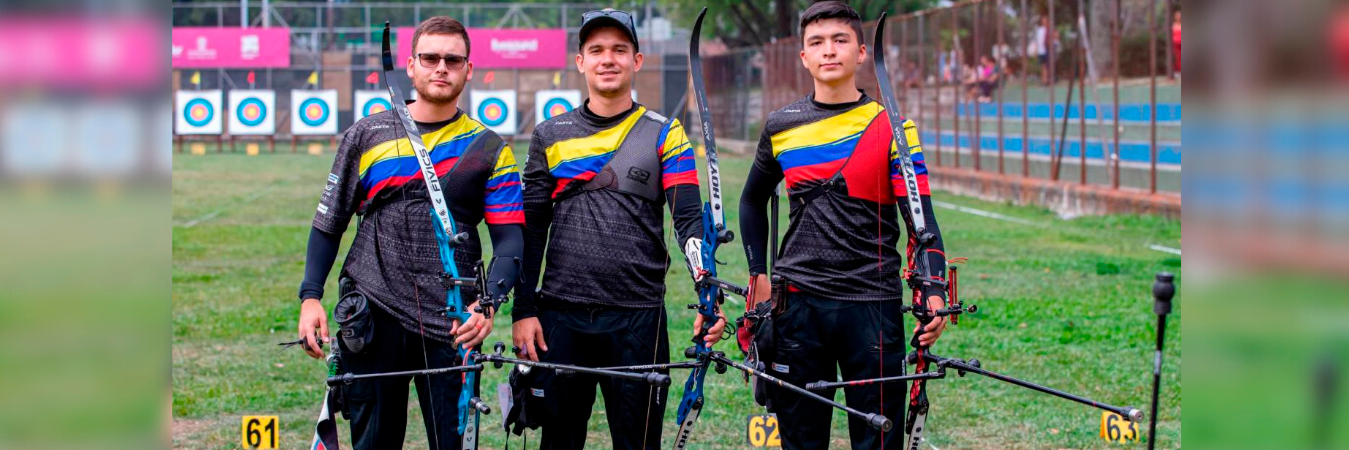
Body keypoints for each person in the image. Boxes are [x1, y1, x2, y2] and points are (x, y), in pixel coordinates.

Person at [294, 16, 525, 450]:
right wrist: (310, 297)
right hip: (373, 311)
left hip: (456, 319)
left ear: (468, 69)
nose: (441, 67)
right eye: (430, 57)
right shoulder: (368, 134)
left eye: (453, 59)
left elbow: (510, 240)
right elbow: (329, 222)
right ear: (411, 65)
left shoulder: (491, 149)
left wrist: (488, 304)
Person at [737, 2, 951, 449]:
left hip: (871, 304)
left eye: (840, 40)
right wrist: (759, 274)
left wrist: (934, 290)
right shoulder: (781, 125)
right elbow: (752, 198)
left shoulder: (894, 127)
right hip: (797, 305)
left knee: (878, 440)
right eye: (816, 42)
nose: (828, 50)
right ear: (804, 57)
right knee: (801, 438)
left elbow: (921, 219)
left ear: (860, 53)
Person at [511, 8, 726, 450]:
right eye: (596, 50)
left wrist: (708, 288)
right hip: (560, 318)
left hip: (638, 318)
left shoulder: (666, 133)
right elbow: (531, 232)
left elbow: (687, 221)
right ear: (580, 62)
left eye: (619, 50)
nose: (608, 59)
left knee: (640, 441)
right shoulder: (550, 134)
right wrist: (523, 310)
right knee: (558, 440)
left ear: (637, 60)